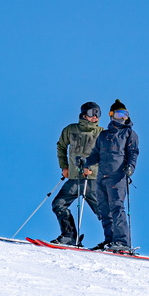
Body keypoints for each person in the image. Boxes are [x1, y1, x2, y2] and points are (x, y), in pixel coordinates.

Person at [83, 99, 139, 253]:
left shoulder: (129, 134)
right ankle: (110, 240)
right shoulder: (103, 135)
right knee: (104, 209)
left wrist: (130, 168)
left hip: (117, 176)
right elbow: (96, 154)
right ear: (111, 115)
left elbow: (133, 153)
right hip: (102, 176)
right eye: (119, 114)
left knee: (117, 207)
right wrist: (86, 163)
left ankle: (122, 242)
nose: (122, 117)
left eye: (125, 114)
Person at [50, 101, 104, 246]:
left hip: (92, 179)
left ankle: (114, 240)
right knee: (58, 204)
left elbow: (107, 155)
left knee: (103, 211)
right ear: (84, 114)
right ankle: (69, 236)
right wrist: (64, 167)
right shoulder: (70, 130)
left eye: (98, 113)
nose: (96, 117)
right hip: (74, 178)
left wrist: (93, 168)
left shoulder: (101, 133)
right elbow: (61, 146)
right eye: (93, 113)